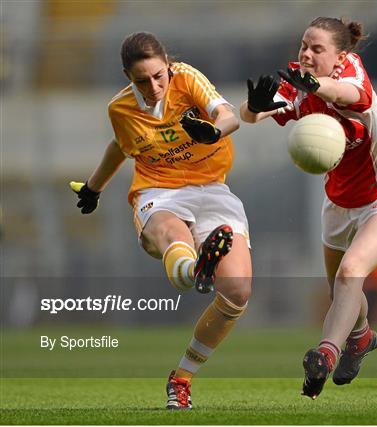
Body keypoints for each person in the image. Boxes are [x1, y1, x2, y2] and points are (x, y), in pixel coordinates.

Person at [240, 17, 377, 399]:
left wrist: (315, 85)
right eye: (303, 45)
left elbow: (349, 94)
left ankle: (325, 353)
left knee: (351, 273)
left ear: (341, 54)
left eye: (316, 48)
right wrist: (251, 108)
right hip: (339, 203)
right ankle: (361, 337)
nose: (306, 53)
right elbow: (254, 114)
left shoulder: (350, 71)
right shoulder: (297, 81)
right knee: (340, 290)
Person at [70, 32, 252, 410]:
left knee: (237, 291)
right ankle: (195, 267)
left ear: (167, 64)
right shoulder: (120, 109)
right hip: (158, 192)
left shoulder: (186, 78)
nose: (153, 87)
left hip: (213, 189)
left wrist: (214, 131)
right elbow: (122, 147)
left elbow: (228, 115)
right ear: (127, 77)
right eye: (141, 80)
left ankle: (181, 377)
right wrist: (94, 187)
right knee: (173, 233)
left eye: (158, 76)